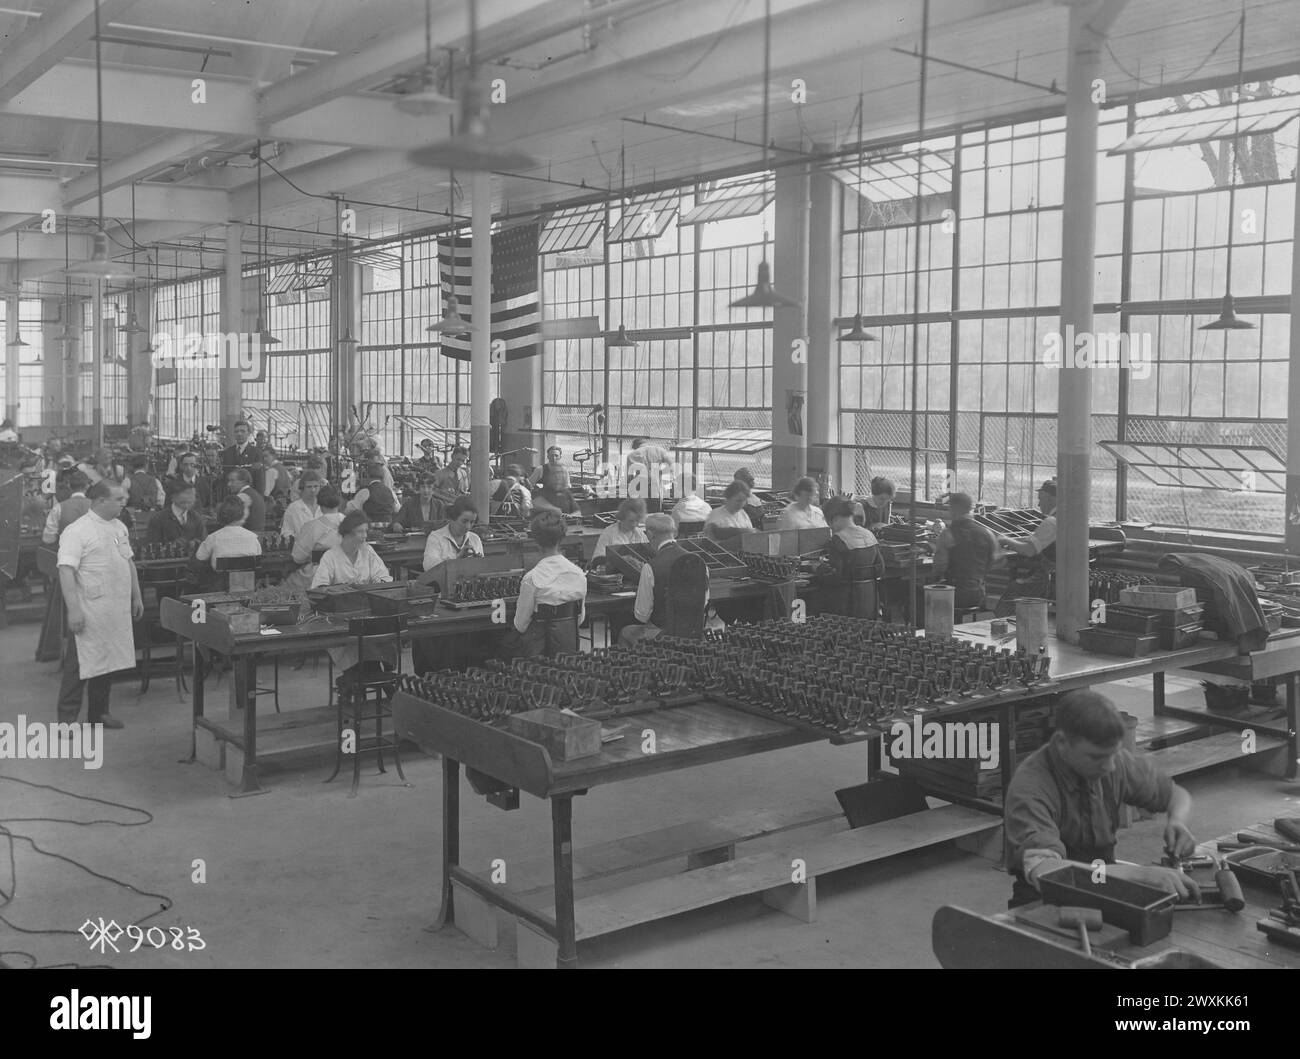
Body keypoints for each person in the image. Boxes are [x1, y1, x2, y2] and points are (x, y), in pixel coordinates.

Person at [1005, 689, 1199, 909]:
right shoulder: (1031, 787)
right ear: (1061, 742)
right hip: (1046, 902)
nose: (1109, 766)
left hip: (1104, 887)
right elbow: (1045, 871)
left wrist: (1177, 821)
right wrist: (1139, 874)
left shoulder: (1112, 764)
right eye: (1096, 757)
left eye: (1113, 754)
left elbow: (1176, 795)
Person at [56, 481, 142, 729]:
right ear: (101, 500)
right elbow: (65, 571)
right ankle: (66, 720)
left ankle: (99, 713)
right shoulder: (77, 530)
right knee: (79, 664)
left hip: (115, 608)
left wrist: (136, 596)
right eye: (118, 498)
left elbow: (129, 562)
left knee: (107, 660)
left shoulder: (119, 527)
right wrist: (73, 610)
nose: (123, 502)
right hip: (88, 609)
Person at [312, 512, 395, 677]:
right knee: (358, 645)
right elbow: (318, 589)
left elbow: (384, 578)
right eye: (360, 531)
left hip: (368, 614)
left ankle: (375, 679)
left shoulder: (368, 551)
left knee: (376, 637)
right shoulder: (331, 557)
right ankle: (372, 680)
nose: (365, 536)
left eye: (366, 531)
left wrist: (375, 585)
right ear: (347, 533)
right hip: (340, 621)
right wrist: (341, 591)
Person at [499, 512, 588, 660]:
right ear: (561, 539)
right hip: (568, 651)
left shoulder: (532, 579)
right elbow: (580, 619)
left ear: (536, 542)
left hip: (536, 654)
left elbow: (521, 624)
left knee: (501, 644)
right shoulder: (579, 575)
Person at [620, 513, 709, 646]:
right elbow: (704, 601)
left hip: (662, 634)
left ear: (649, 534)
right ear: (675, 532)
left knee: (625, 632)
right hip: (694, 634)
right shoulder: (700, 563)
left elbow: (642, 615)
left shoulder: (650, 567)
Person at [994, 479, 1057, 617]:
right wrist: (1017, 540)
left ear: (1051, 498)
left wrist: (1004, 539)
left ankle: (1004, 624)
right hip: (1063, 576)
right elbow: (1037, 541)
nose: (1039, 504)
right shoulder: (1068, 517)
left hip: (1050, 579)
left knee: (1014, 588)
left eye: (1041, 500)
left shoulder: (1051, 522)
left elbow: (1028, 551)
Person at [932, 492, 1000, 611]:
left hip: (953, 594)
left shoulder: (948, 534)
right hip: (979, 594)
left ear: (954, 509)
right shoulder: (988, 534)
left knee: (917, 598)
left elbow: (939, 567)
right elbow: (997, 561)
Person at [822, 497, 884, 617]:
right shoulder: (869, 535)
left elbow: (835, 577)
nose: (831, 528)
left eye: (829, 524)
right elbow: (880, 570)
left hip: (846, 607)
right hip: (870, 604)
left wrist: (819, 569)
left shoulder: (838, 539)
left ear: (834, 519)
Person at [287, 486, 344, 592]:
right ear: (340, 502)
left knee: (286, 584)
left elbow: (298, 557)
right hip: (348, 575)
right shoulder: (352, 524)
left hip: (318, 577)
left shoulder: (311, 527)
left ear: (319, 504)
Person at [195, 497, 263, 570]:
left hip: (221, 580)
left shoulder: (213, 538)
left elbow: (200, 557)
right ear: (242, 515)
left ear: (221, 516)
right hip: (248, 580)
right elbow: (258, 556)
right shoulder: (253, 537)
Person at [421, 496, 483, 571]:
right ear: (453, 518)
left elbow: (480, 569)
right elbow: (428, 567)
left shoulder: (475, 539)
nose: (468, 527)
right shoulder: (436, 538)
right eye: (464, 521)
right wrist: (456, 560)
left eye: (472, 522)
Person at [590, 498, 647, 568]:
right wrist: (621, 560)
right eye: (631, 521)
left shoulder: (640, 534)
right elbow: (596, 561)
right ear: (622, 517)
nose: (634, 524)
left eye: (637, 521)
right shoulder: (609, 533)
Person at [147, 480, 205, 545]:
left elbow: (203, 540)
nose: (189, 497)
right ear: (173, 497)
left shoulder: (196, 517)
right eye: (183, 502)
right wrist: (171, 545)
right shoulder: (158, 519)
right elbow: (152, 544)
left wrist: (195, 542)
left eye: (192, 494)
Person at [42, 470, 92, 544]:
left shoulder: (58, 508)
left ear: (68, 485)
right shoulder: (96, 506)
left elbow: (48, 539)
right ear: (87, 486)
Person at [220, 420, 262, 494]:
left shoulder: (256, 453)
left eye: (242, 431)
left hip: (249, 496)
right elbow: (225, 478)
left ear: (248, 433)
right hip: (232, 497)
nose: (239, 434)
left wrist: (257, 499)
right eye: (236, 431)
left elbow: (260, 480)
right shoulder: (228, 452)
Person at [280, 470, 324, 539]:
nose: (313, 490)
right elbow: (286, 532)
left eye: (316, 486)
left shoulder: (325, 506)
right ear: (302, 488)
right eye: (309, 487)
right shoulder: (293, 508)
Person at [226, 467, 266, 533]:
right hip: (257, 537)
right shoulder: (256, 494)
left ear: (243, 481)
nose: (229, 484)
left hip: (245, 538)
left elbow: (233, 522)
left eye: (232, 480)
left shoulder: (241, 497)